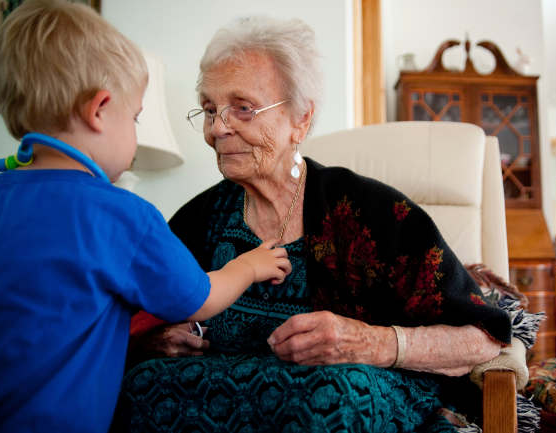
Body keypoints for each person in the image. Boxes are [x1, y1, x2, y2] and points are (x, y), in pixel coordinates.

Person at [121, 16, 513, 432]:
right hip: (222, 401)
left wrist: (370, 342)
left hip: (347, 396)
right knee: (140, 385)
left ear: (301, 119)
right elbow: (134, 318)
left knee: (331, 396)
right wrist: (151, 342)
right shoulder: (200, 219)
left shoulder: (371, 212)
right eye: (210, 109)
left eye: (243, 108)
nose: (217, 128)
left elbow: (481, 336)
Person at [0, 2, 291, 433]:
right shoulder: (121, 215)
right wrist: (246, 266)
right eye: (133, 118)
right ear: (100, 109)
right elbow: (199, 296)